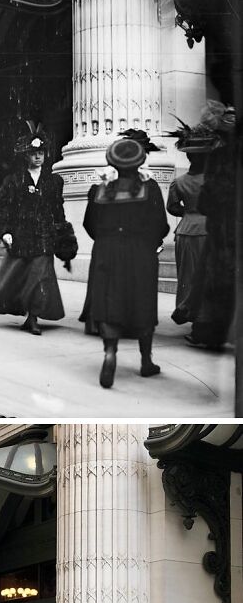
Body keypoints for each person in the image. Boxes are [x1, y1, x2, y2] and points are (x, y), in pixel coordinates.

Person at [80, 130, 169, 388]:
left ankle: (110, 353)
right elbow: (161, 225)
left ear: (113, 163)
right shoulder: (149, 188)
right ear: (140, 162)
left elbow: (89, 225)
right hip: (140, 251)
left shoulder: (99, 190)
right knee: (142, 301)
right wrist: (148, 243)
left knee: (109, 301)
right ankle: (145, 360)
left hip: (107, 250)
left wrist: (107, 241)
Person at [0, 123, 71, 336]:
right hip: (22, 236)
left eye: (41, 153)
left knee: (39, 277)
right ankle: (27, 314)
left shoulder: (54, 181)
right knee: (20, 277)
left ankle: (33, 317)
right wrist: (6, 231)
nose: (38, 157)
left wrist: (63, 235)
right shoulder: (13, 181)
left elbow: (58, 209)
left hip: (44, 236)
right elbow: (5, 209)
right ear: (26, 156)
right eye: (33, 153)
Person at [187, 101, 237, 349]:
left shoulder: (219, 158)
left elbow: (208, 201)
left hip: (222, 229)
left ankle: (210, 331)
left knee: (214, 279)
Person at [166, 121, 214, 328]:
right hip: (211, 230)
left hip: (186, 230)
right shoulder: (215, 181)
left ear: (189, 157)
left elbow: (172, 207)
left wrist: (189, 211)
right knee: (211, 274)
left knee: (187, 276)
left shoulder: (179, 182)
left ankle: (191, 314)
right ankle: (208, 317)